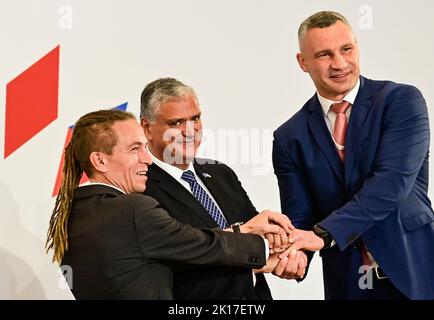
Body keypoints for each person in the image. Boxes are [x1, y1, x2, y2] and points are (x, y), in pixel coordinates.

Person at [45, 109, 293, 300]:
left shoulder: (71, 214)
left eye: (144, 147)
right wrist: (260, 241)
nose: (147, 160)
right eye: (134, 149)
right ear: (99, 160)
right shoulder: (132, 210)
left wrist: (252, 253)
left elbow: (183, 251)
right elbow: (201, 244)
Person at [272, 10, 434, 300]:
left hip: (417, 276)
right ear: (303, 62)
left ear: (357, 46)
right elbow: (301, 216)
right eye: (324, 55)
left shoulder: (401, 102)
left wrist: (322, 235)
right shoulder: (288, 137)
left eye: (346, 49)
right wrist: (296, 255)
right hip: (348, 286)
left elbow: (391, 185)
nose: (339, 63)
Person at [140, 77, 307, 300]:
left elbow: (260, 240)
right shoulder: (139, 189)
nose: (190, 131)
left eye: (195, 118)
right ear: (146, 128)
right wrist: (255, 262)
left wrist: (289, 254)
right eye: (176, 123)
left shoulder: (221, 173)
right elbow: (174, 266)